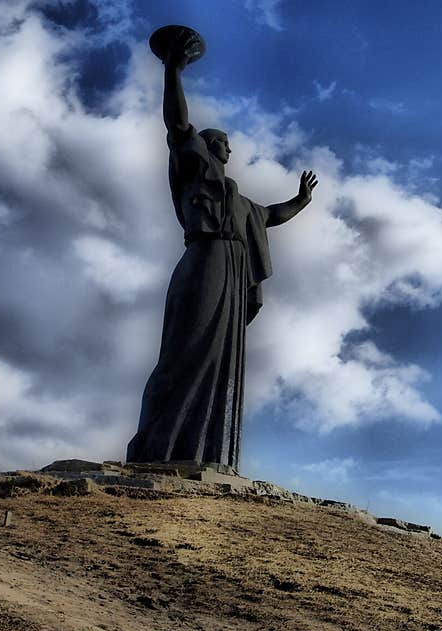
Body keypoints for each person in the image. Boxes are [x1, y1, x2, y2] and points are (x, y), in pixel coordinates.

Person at [126, 28, 317, 471]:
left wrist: (302, 200)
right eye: (225, 142)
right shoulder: (196, 166)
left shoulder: (240, 203)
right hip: (206, 260)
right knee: (186, 350)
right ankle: (159, 445)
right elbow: (176, 125)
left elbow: (271, 215)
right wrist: (173, 69)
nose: (231, 148)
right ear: (211, 145)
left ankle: (205, 450)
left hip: (231, 270)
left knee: (219, 360)